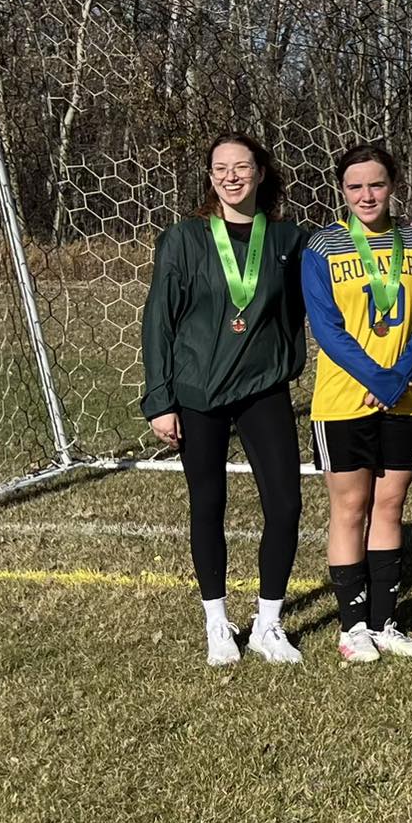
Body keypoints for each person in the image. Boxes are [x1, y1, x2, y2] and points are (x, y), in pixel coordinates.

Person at [140, 132, 309, 666]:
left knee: (285, 504)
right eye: (220, 168)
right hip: (198, 391)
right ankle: (217, 622)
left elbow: (300, 311)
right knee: (207, 504)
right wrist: (160, 400)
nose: (231, 176)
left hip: (263, 389)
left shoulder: (288, 239)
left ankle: (267, 624)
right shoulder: (183, 238)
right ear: (210, 176)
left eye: (242, 166)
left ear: (261, 173)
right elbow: (158, 322)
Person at [303, 143, 412, 662]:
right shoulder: (322, 249)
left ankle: (385, 621)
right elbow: (327, 329)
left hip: (404, 400)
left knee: (390, 507)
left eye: (377, 184)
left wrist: (397, 379)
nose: (367, 195)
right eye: (355, 186)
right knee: (350, 508)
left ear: (393, 185)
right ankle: (351, 627)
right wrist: (376, 377)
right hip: (343, 400)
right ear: (342, 190)